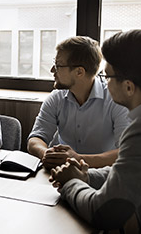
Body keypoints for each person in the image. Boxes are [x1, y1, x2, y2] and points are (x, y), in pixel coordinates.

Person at [49, 30, 141, 232]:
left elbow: (103, 213)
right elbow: (130, 170)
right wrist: (87, 177)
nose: (104, 83)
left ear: (128, 87)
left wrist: (70, 182)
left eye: (106, 76)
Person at [27, 36, 130, 169]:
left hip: (101, 177)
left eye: (58, 65)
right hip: (60, 173)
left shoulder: (115, 100)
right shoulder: (56, 98)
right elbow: (35, 138)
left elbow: (125, 152)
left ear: (79, 72)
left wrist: (78, 159)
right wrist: (46, 153)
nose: (52, 70)